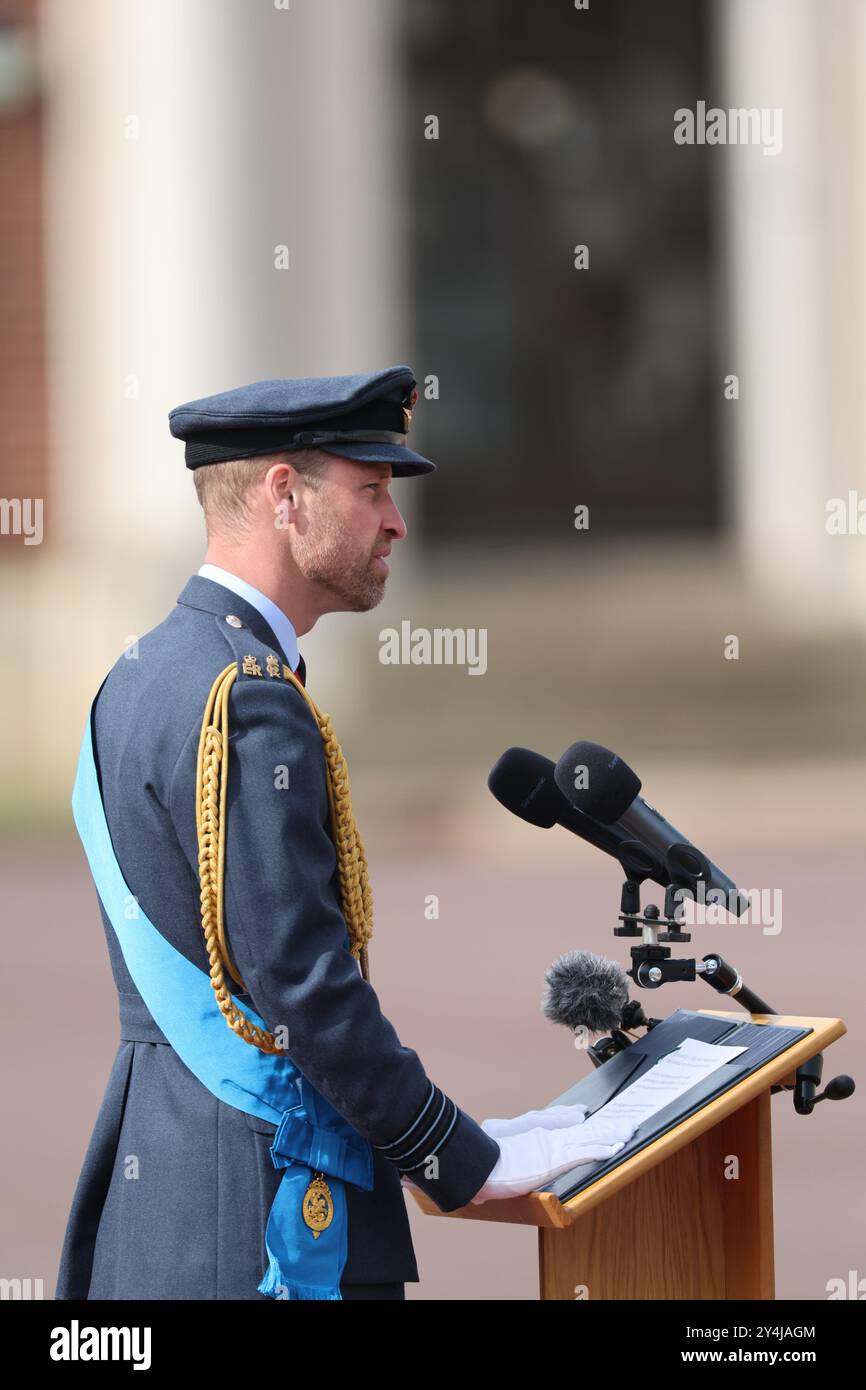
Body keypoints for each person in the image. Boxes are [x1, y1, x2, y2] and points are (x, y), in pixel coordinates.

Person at [55, 366, 636, 1301]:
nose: (396, 523)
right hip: (263, 1204)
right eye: (370, 491)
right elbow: (303, 986)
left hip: (162, 1174)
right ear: (284, 496)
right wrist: (456, 1152)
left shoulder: (144, 669)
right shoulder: (248, 700)